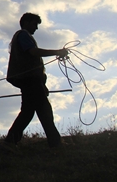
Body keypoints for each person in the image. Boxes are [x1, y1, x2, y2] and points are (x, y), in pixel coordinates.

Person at [4, 13, 69, 148]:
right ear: (26, 23)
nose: (36, 28)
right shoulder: (23, 35)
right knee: (44, 110)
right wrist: (57, 52)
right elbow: (33, 52)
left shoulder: (21, 36)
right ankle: (55, 143)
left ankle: (11, 140)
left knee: (28, 111)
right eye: (35, 24)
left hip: (29, 80)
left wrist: (41, 84)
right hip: (29, 80)